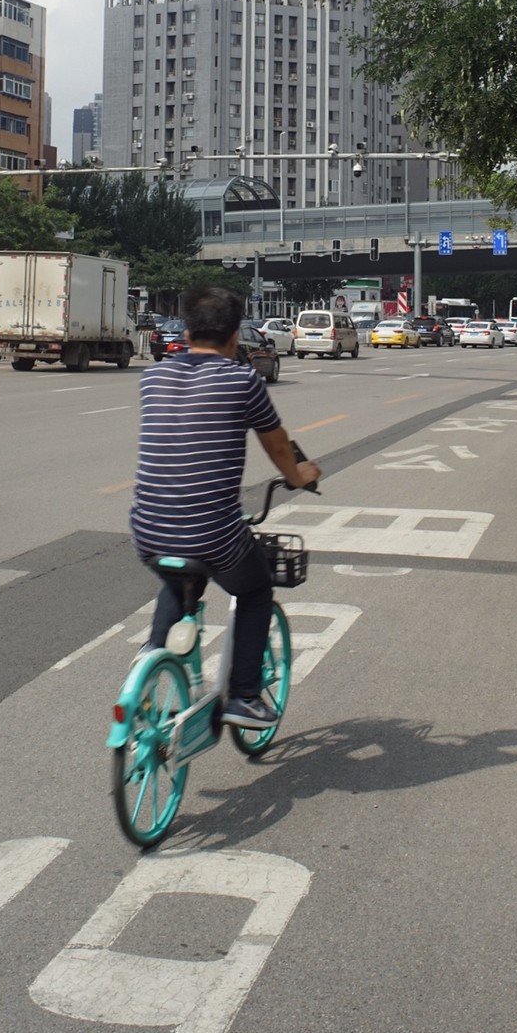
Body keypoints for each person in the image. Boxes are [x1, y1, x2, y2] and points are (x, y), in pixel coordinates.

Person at [131, 284, 321, 728]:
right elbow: (278, 449)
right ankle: (245, 697)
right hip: (213, 532)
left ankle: (149, 658)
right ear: (235, 335)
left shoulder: (152, 377)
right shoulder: (243, 380)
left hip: (147, 528)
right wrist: (302, 476)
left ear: (187, 328)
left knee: (176, 578)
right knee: (255, 590)